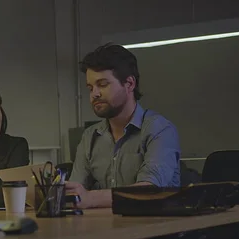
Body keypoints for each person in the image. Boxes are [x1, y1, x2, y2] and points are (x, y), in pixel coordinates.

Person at [66, 43, 181, 209]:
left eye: (103, 84)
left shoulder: (160, 129)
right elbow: (76, 192)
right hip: (106, 229)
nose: (94, 94)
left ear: (129, 84)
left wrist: (90, 198)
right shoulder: (90, 136)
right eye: (90, 88)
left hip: (155, 229)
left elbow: (149, 190)